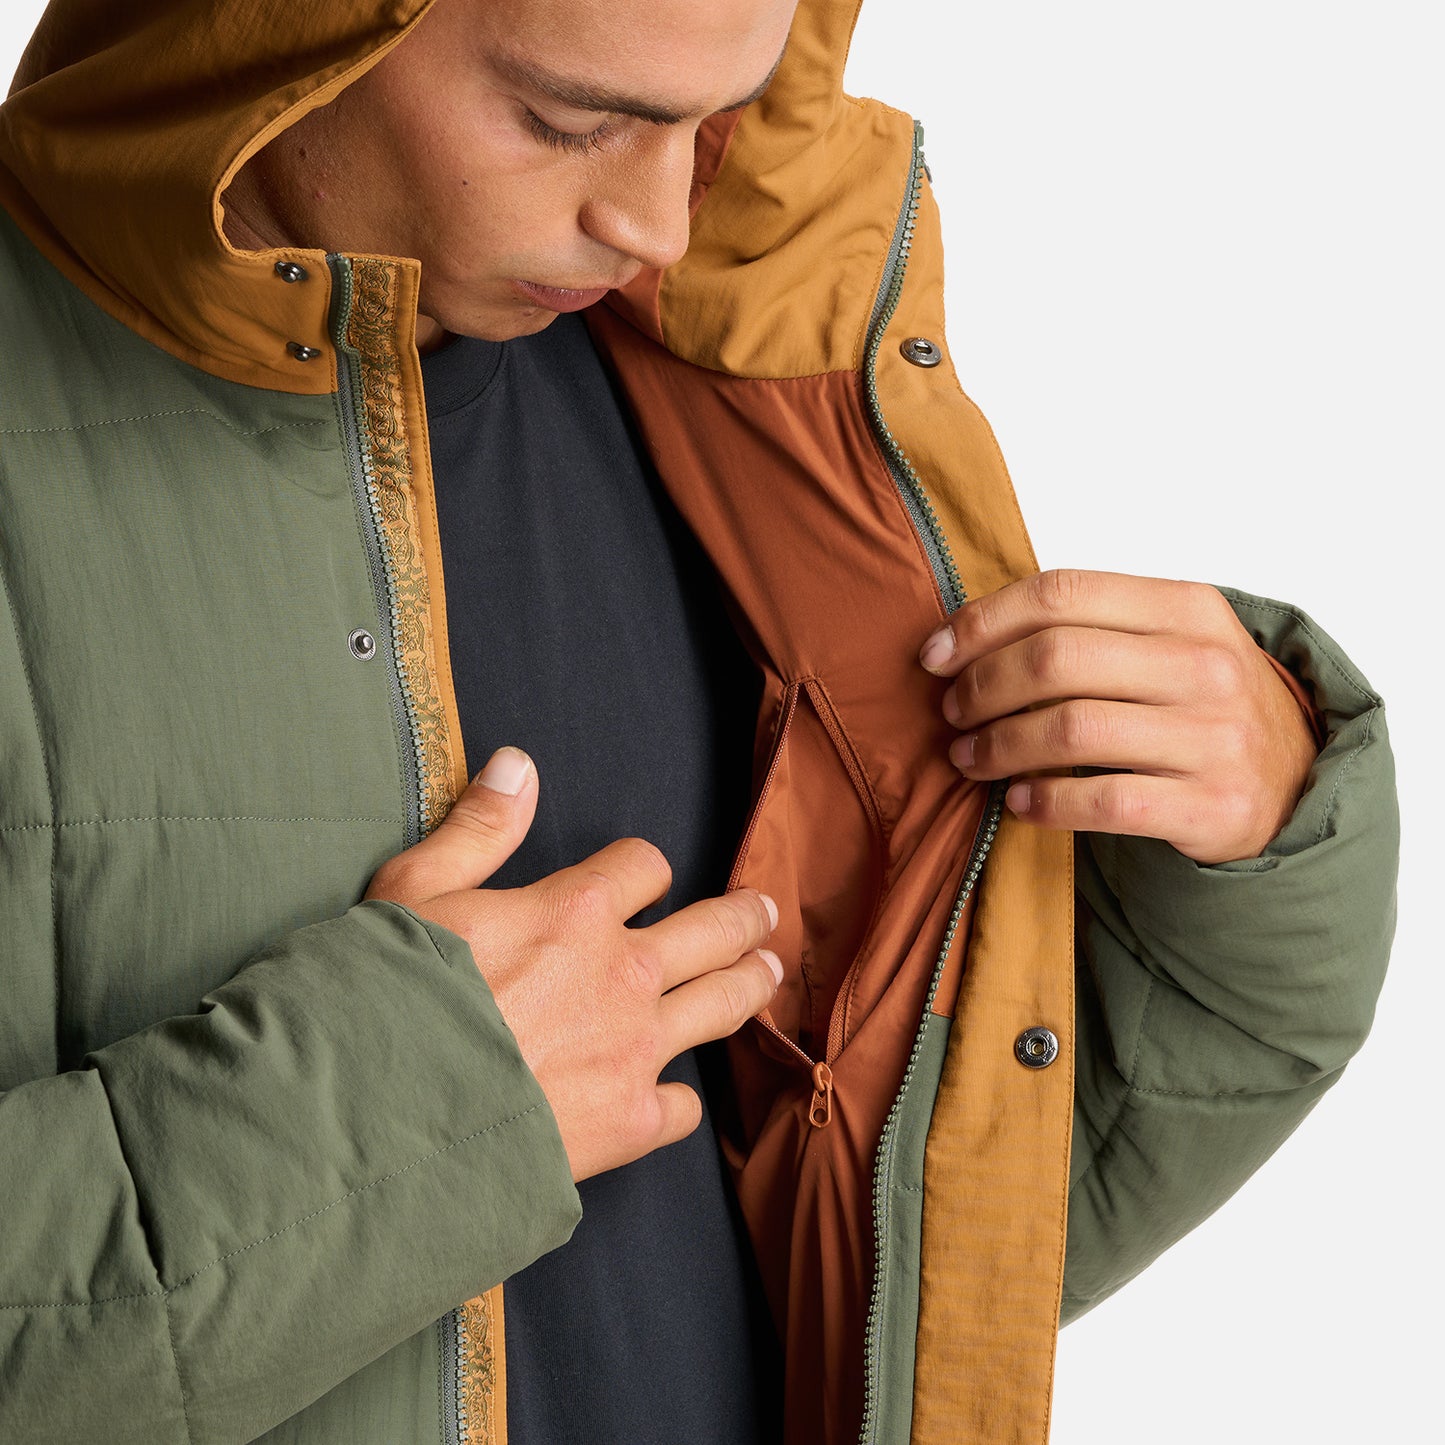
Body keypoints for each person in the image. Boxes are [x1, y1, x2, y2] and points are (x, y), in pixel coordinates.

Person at [0, 0, 1398, 1441]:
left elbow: (909, 1237)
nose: (657, 222)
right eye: (568, 120)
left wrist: (1250, 857)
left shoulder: (751, 405)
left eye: (710, 116)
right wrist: (400, 1129)